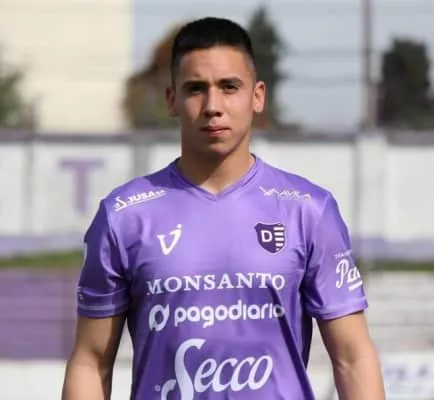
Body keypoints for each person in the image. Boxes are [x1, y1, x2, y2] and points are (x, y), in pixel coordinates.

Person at [62, 17, 385, 400]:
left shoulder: (308, 210)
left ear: (257, 96)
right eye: (195, 89)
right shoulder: (124, 216)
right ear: (172, 99)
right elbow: (90, 361)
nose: (212, 106)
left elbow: (353, 358)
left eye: (229, 87)